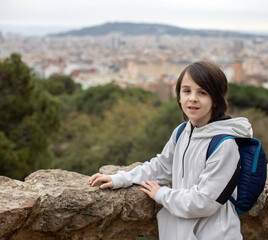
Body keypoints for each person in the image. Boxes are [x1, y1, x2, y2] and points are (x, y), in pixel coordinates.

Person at [89, 60, 253, 240]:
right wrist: (121, 178)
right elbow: (161, 167)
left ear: (216, 100)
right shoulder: (182, 131)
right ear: (179, 96)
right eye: (187, 91)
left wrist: (162, 194)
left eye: (203, 92)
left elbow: (205, 202)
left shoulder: (224, 145)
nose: (193, 98)